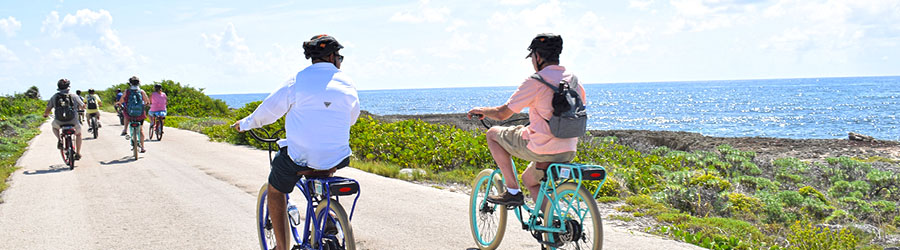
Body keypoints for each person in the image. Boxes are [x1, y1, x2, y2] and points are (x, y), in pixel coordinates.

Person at [232, 34, 358, 250]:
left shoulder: (297, 81)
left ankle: (282, 247)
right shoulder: (347, 82)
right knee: (322, 167)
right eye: (340, 57)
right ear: (331, 57)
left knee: (275, 189)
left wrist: (244, 124)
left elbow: (269, 111)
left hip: (302, 156)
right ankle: (325, 213)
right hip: (338, 156)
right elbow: (352, 117)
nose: (340, 61)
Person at [467, 33, 586, 206]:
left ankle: (512, 191)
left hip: (542, 148)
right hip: (568, 149)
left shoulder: (536, 81)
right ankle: (551, 225)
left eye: (532, 57)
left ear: (537, 56)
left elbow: (502, 114)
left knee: (493, 134)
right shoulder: (574, 80)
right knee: (530, 180)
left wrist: (482, 110)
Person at [43, 79, 85, 160]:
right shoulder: (74, 96)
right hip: (73, 121)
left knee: (54, 127)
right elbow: (83, 106)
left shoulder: (54, 96)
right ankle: (78, 153)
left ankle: (59, 139)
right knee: (78, 134)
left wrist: (45, 114)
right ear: (68, 87)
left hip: (59, 121)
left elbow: (48, 108)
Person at [116, 76, 151, 153]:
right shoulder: (141, 91)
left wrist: (119, 103)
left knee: (125, 114)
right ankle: (142, 147)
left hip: (130, 113)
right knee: (141, 130)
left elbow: (121, 100)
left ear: (130, 83)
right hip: (140, 114)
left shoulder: (127, 91)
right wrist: (146, 104)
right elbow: (147, 101)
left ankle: (125, 129)